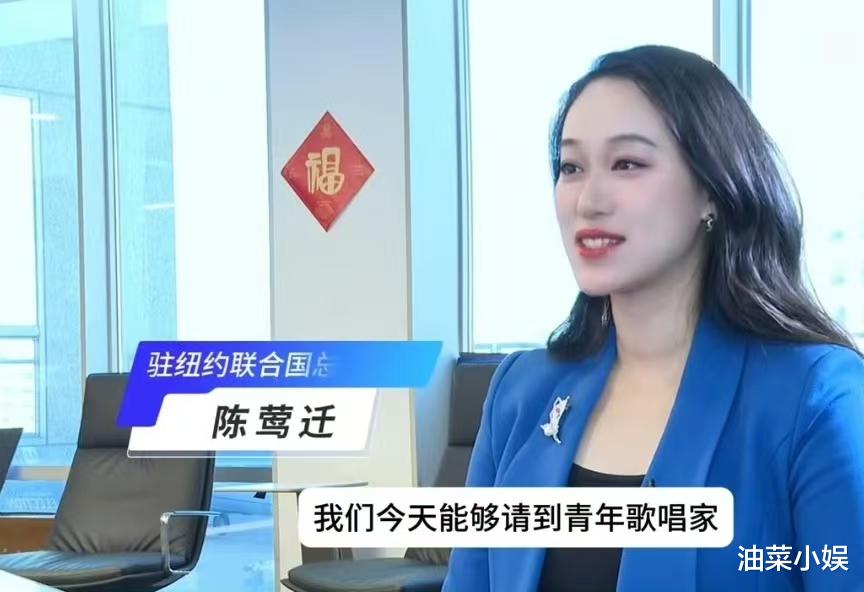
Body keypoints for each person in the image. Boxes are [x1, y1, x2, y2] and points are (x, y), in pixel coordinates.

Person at [442, 45, 864, 592]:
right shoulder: (521, 392)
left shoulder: (815, 397)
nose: (589, 200)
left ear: (711, 190)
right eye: (571, 167)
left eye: (627, 164)